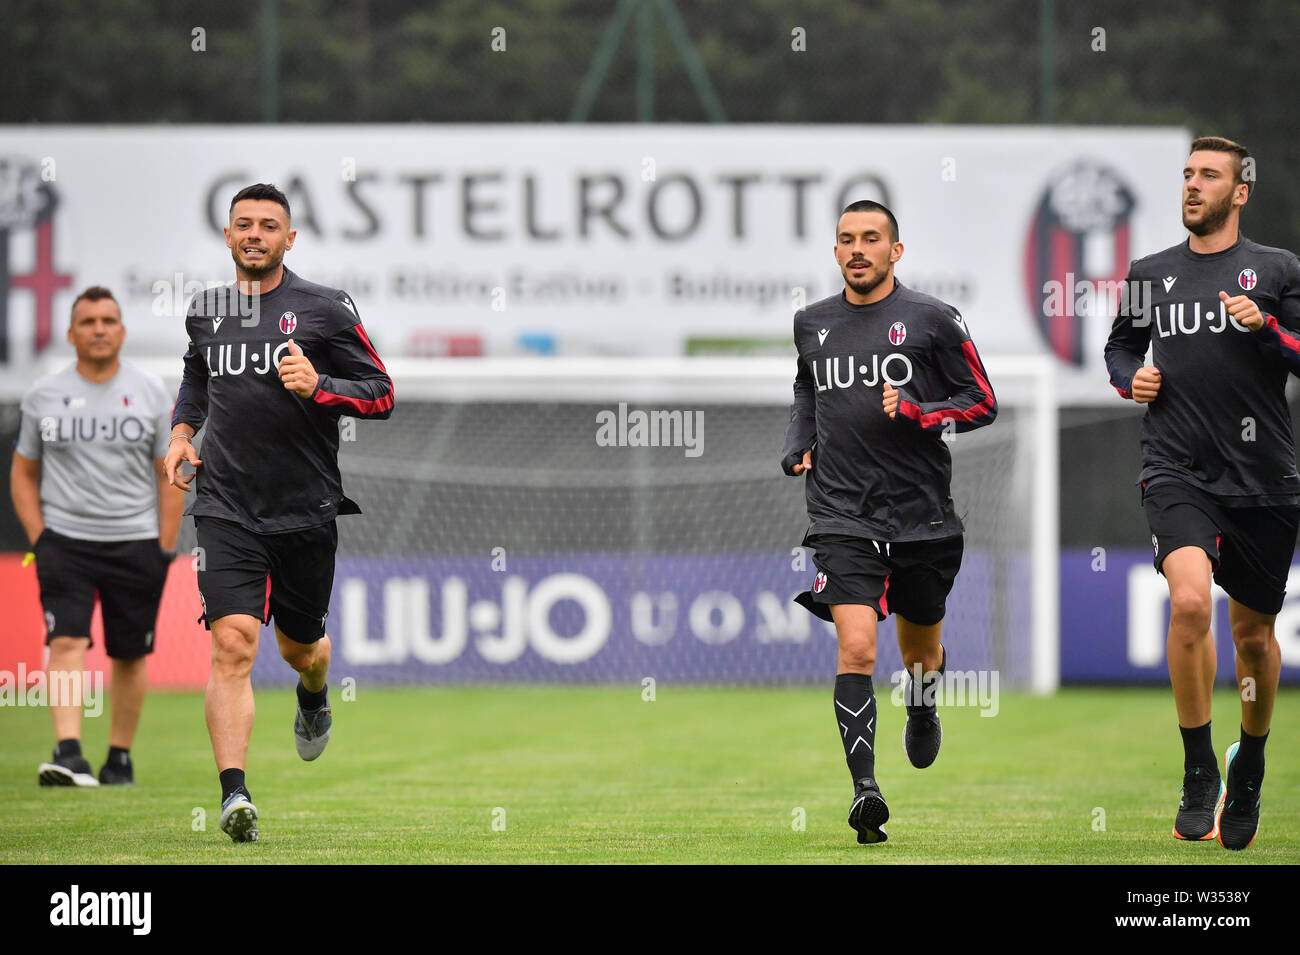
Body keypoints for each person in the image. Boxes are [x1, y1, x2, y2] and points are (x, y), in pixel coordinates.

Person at [165, 183, 395, 843]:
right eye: (245, 224)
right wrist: (183, 432)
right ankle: (234, 792)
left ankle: (314, 692)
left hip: (304, 510)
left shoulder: (324, 309)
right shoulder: (206, 310)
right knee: (233, 643)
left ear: (289, 239)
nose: (256, 233)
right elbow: (196, 377)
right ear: (230, 236)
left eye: (270, 225)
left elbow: (382, 393)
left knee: (300, 647)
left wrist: (321, 386)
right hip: (226, 507)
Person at [1104, 136, 1300, 851]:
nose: (1192, 185)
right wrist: (1132, 379)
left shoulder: (1278, 269)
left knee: (1253, 638)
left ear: (1239, 191)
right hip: (1177, 469)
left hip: (1263, 479)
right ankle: (1197, 771)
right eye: (1187, 174)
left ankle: (1247, 767)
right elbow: (1119, 347)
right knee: (1188, 601)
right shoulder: (1149, 273)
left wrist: (1270, 328)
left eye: (1208, 175)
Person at [782, 200, 997, 843]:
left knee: (921, 652)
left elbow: (982, 403)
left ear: (894, 251)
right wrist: (799, 442)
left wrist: (918, 411)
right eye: (846, 239)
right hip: (842, 514)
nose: (857, 249)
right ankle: (865, 791)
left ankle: (924, 707)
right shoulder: (811, 323)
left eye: (870, 239)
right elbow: (805, 389)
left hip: (921, 518)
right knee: (855, 644)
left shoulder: (932, 320)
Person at [11, 286, 184, 787]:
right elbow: (23, 471)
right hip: (65, 541)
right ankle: (68, 753)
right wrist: (40, 537)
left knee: (130, 653)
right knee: (65, 639)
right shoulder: (44, 394)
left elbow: (166, 471)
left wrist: (164, 545)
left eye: (109, 320)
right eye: (88, 322)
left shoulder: (151, 391)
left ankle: (119, 758)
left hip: (136, 542)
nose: (100, 329)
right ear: (71, 333)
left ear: (123, 331)